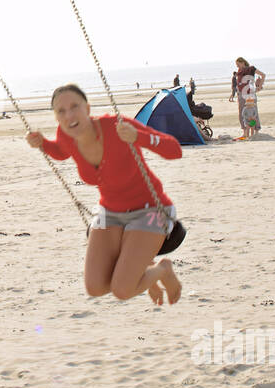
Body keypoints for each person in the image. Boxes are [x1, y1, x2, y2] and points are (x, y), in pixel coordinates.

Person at [26, 84, 183, 305]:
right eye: (61, 111)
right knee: (95, 287)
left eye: (74, 107)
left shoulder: (117, 127)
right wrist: (43, 143)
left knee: (122, 289)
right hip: (110, 213)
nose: (69, 115)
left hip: (150, 211)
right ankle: (143, 270)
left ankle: (162, 271)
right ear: (56, 117)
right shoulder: (65, 135)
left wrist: (138, 137)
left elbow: (174, 150)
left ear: (88, 108)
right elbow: (62, 151)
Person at [229, 57, 266, 138]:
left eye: (238, 65)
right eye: (237, 66)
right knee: (242, 113)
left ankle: (256, 131)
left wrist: (260, 86)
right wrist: (233, 93)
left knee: (253, 112)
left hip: (250, 94)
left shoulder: (251, 69)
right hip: (241, 94)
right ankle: (245, 132)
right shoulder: (239, 71)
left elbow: (263, 75)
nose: (238, 67)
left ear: (243, 62)